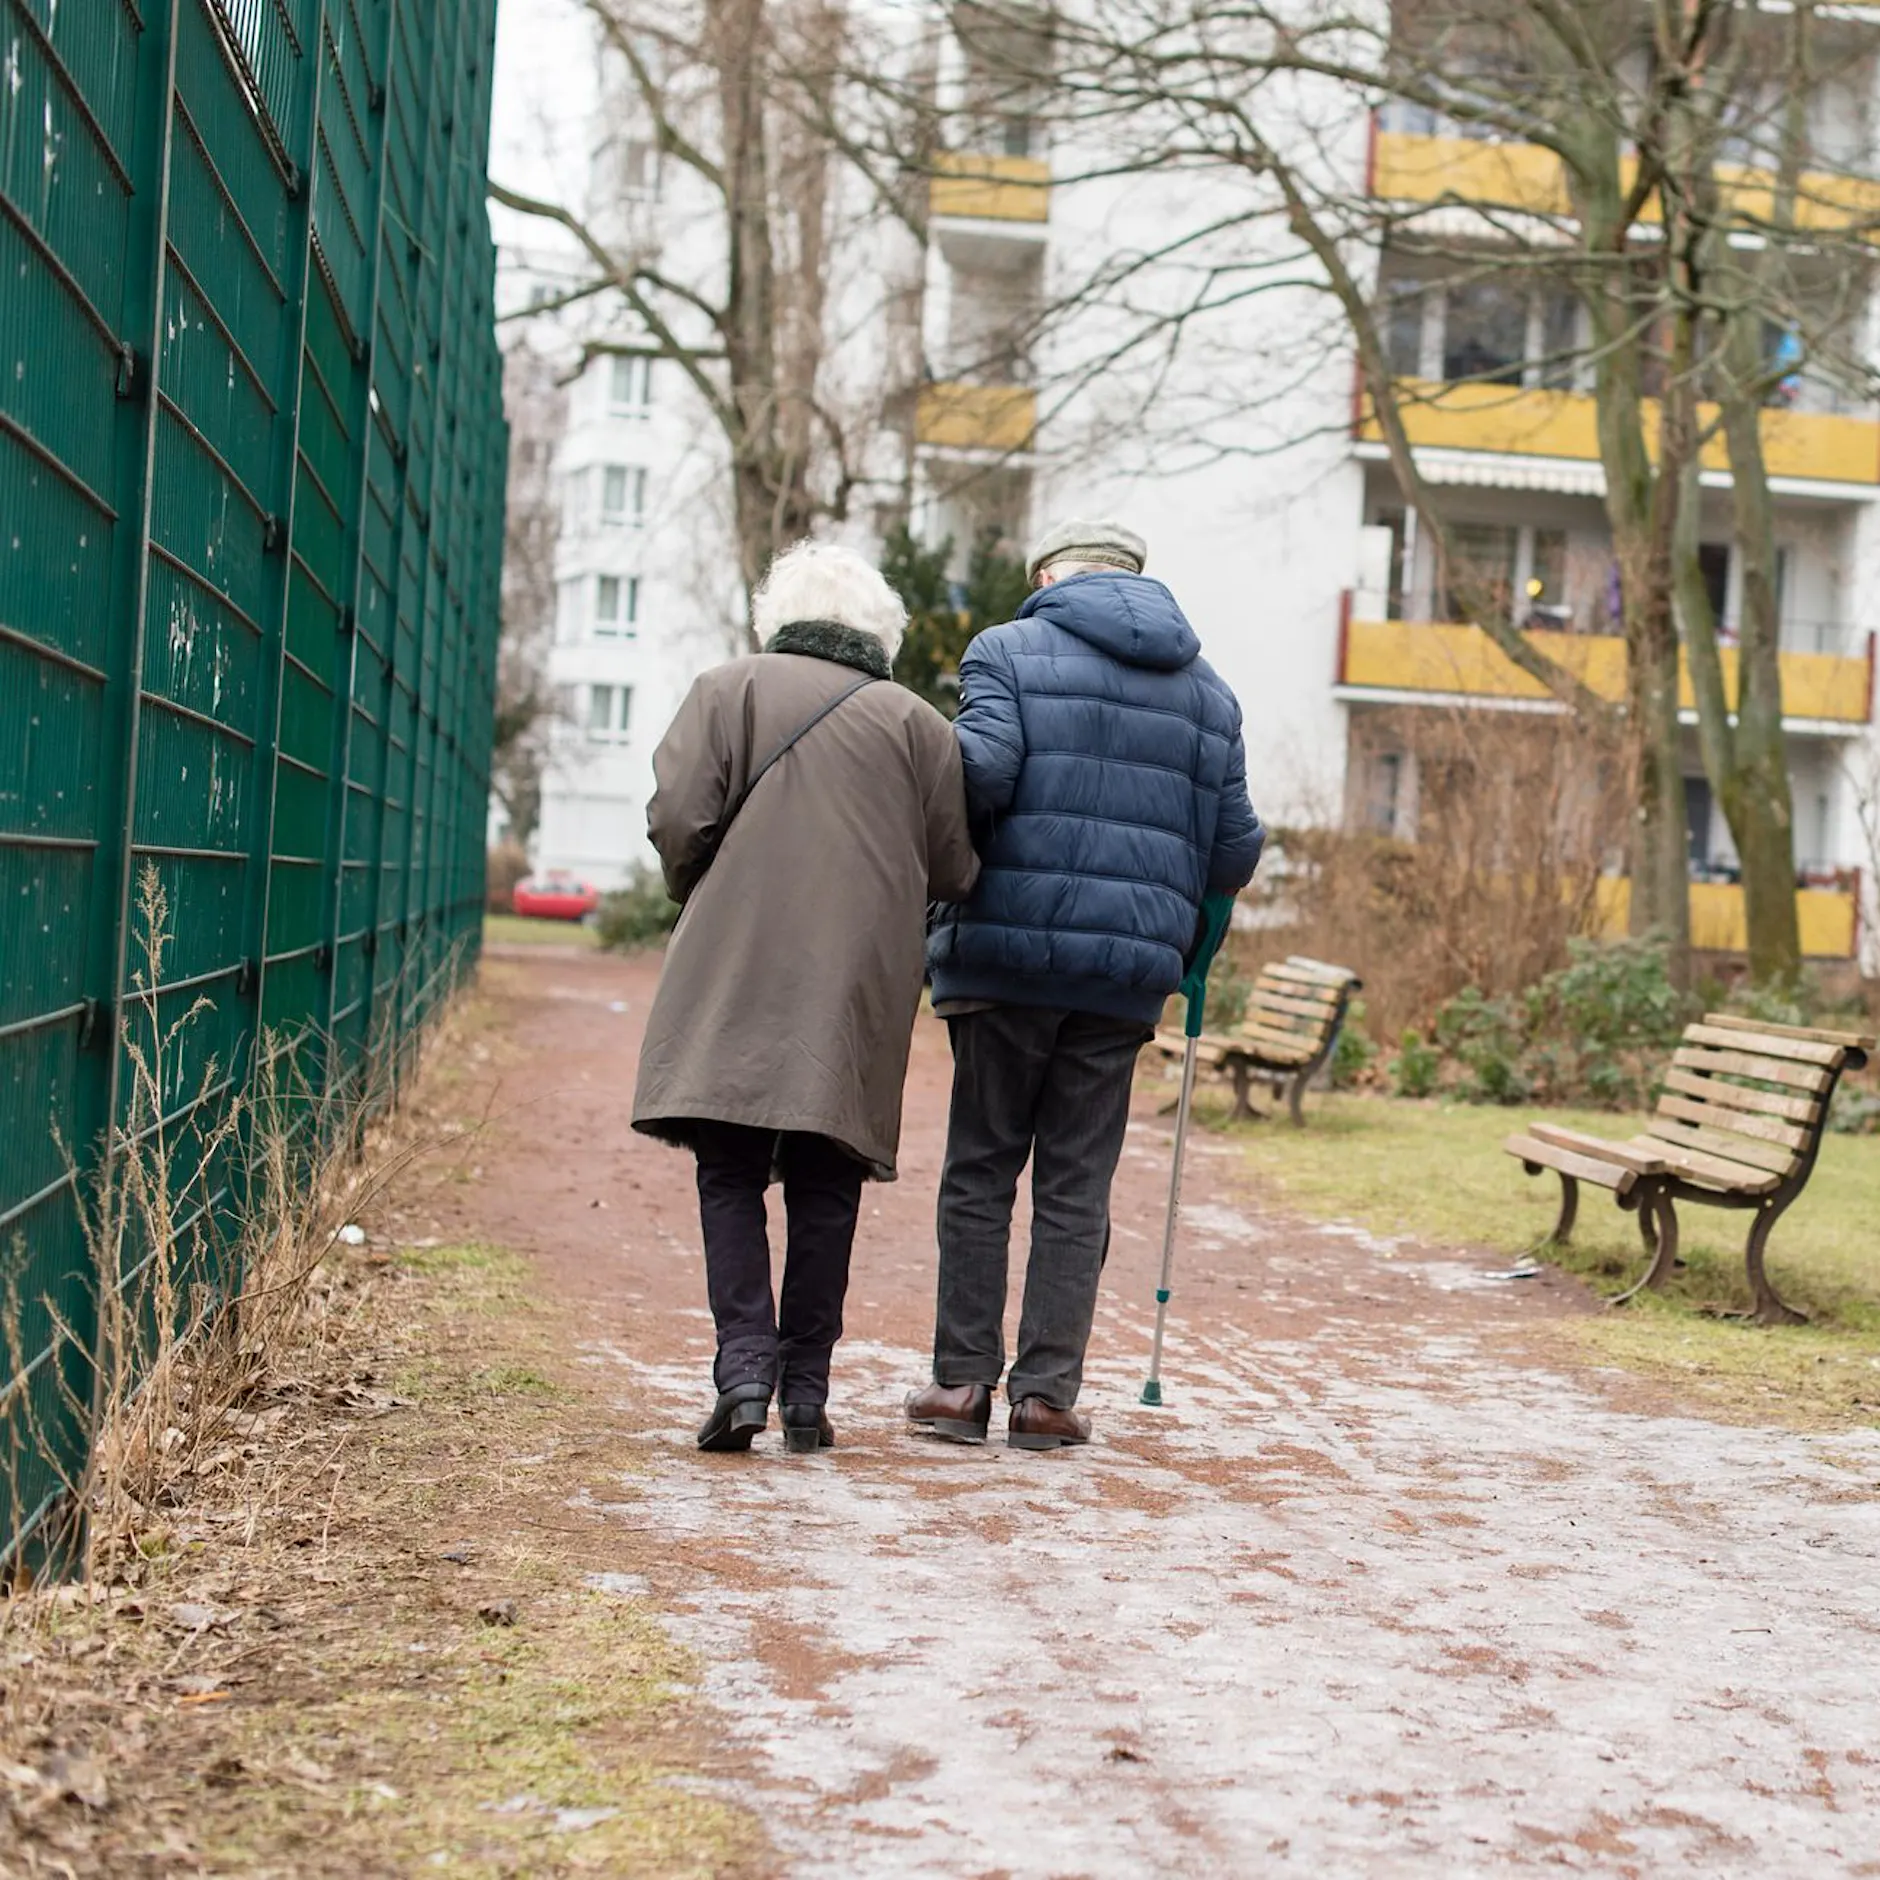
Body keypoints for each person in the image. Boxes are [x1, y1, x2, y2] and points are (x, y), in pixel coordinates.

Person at [905, 518, 1265, 1451]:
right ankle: (1045, 1399)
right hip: (1123, 977)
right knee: (1078, 1182)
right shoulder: (1209, 693)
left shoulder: (1004, 650)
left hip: (1003, 959)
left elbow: (979, 773)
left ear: (1048, 575)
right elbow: (1235, 848)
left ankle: (960, 1387)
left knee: (982, 1166)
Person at [633, 541, 979, 1454]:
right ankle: (807, 1393)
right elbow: (955, 866)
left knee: (731, 1164)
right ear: (880, 631)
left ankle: (744, 1368)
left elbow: (676, 818)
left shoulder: (726, 689)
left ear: (778, 615)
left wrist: (699, 886)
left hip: (738, 955)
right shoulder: (920, 727)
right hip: (860, 976)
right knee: (829, 1178)